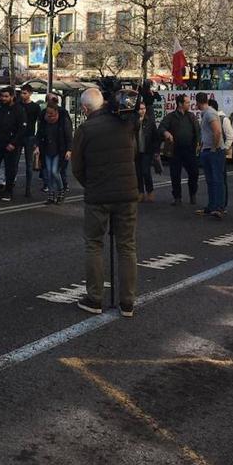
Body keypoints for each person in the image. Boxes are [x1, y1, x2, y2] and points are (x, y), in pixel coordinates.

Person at [71, 87, 138, 317]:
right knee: (126, 245)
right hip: (126, 192)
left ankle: (95, 298)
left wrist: (90, 184)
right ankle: (127, 301)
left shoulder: (85, 129)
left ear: (84, 108)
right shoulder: (125, 123)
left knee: (94, 243)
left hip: (98, 194)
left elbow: (77, 166)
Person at [158, 94, 200, 206]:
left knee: (194, 173)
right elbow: (161, 127)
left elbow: (197, 131)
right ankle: (177, 197)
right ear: (180, 104)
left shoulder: (191, 116)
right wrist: (166, 133)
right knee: (175, 174)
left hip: (189, 150)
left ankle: (193, 194)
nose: (189, 104)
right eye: (187, 102)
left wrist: (198, 145)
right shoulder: (171, 117)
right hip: (175, 150)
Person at [195, 92, 226, 218]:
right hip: (207, 149)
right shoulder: (206, 113)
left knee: (217, 179)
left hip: (214, 151)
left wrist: (214, 147)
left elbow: (217, 131)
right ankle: (212, 205)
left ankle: (219, 207)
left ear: (197, 102)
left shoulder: (210, 113)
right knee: (211, 180)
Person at [36, 103, 73, 204]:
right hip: (47, 149)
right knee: (48, 173)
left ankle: (60, 191)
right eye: (48, 113)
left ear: (56, 112)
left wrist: (69, 150)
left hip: (59, 150)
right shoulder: (44, 121)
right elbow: (39, 134)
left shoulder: (63, 121)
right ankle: (51, 194)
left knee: (54, 172)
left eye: (51, 113)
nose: (49, 115)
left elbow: (68, 136)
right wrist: (37, 146)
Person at [135, 101, 160, 201]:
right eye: (140, 109)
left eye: (144, 108)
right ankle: (140, 192)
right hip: (136, 151)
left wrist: (156, 151)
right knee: (138, 172)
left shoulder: (150, 121)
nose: (142, 111)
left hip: (147, 150)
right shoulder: (133, 121)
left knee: (146, 171)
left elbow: (155, 137)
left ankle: (150, 191)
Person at [20, 84, 41, 197]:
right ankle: (10, 184)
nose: (22, 95)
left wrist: (37, 139)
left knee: (29, 164)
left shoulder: (35, 107)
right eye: (21, 93)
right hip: (19, 136)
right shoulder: (18, 105)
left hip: (29, 136)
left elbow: (40, 122)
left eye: (25, 93)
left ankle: (28, 188)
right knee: (14, 162)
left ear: (30, 94)